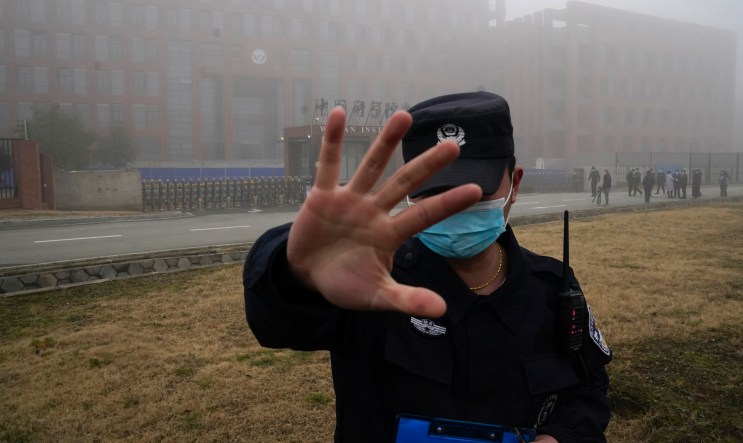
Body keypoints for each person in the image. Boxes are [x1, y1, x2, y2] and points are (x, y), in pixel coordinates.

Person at [243, 92, 612, 443]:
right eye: (433, 190)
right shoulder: (372, 282)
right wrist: (297, 273)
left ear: (514, 183)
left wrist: (558, 435)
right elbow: (276, 323)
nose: (452, 207)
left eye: (474, 189)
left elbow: (588, 388)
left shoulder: (551, 287)